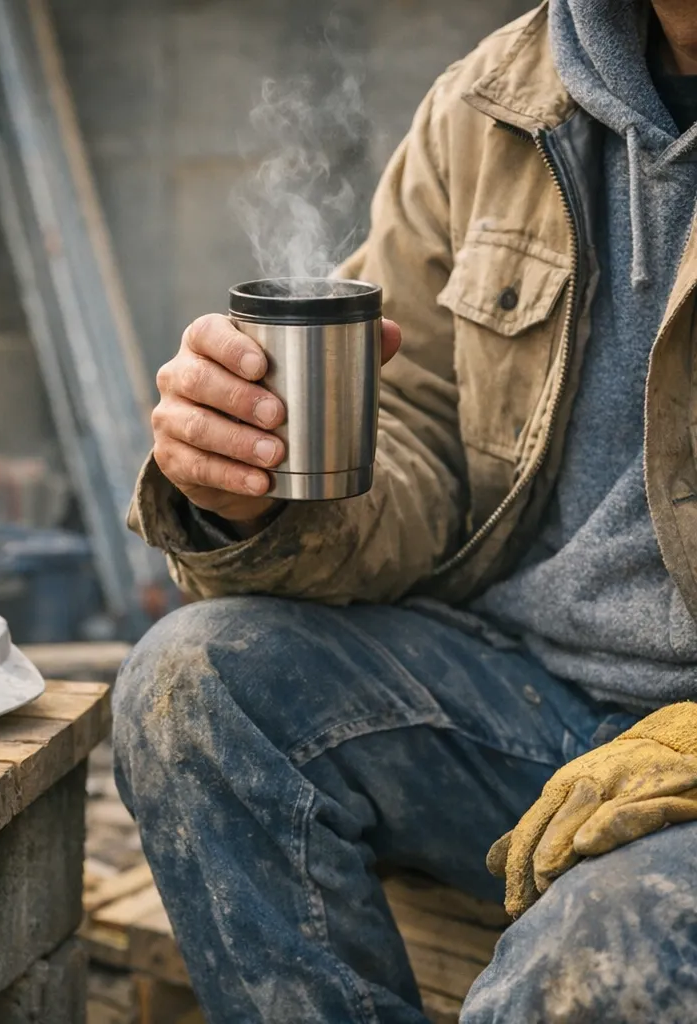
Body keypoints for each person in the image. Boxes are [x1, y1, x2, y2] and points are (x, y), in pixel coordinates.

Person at [113, 0, 697, 1021]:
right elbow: (421, 434)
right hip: (524, 709)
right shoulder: (496, 105)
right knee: (189, 682)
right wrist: (247, 495)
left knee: (590, 947)